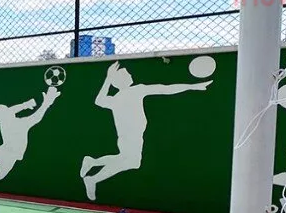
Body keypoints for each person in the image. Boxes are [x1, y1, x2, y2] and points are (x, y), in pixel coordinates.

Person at [80, 62, 210, 200]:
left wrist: (108, 78)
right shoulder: (134, 91)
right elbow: (165, 89)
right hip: (129, 136)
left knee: (129, 161)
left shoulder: (117, 98)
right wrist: (192, 86)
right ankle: (92, 176)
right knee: (131, 162)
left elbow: (99, 100)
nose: (130, 75)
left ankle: (92, 165)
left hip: (133, 136)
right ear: (120, 81)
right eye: (126, 75)